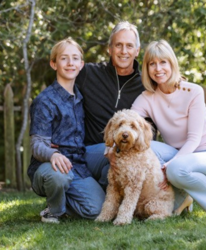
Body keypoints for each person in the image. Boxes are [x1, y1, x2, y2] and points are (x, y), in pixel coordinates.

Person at [131, 39, 206, 215]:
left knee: (176, 169)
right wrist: (112, 147)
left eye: (163, 62)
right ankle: (183, 194)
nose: (158, 68)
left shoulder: (193, 92)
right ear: (146, 68)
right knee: (145, 147)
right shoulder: (147, 97)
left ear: (172, 64)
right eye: (152, 64)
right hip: (180, 156)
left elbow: (194, 139)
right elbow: (128, 121)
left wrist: (171, 165)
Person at [76, 21, 173, 191]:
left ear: (137, 51)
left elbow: (152, 128)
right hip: (93, 150)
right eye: (118, 45)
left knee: (129, 164)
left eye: (129, 46)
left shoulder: (146, 84)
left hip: (129, 152)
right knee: (118, 164)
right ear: (110, 48)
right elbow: (62, 94)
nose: (123, 51)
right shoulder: (88, 74)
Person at [27, 37, 105, 223]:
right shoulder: (45, 101)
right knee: (58, 176)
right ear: (54, 64)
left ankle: (64, 198)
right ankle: (54, 211)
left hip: (77, 162)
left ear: (81, 64)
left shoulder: (80, 96)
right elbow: (37, 145)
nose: (70, 63)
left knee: (98, 211)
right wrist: (53, 154)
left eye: (75, 58)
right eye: (64, 58)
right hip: (50, 167)